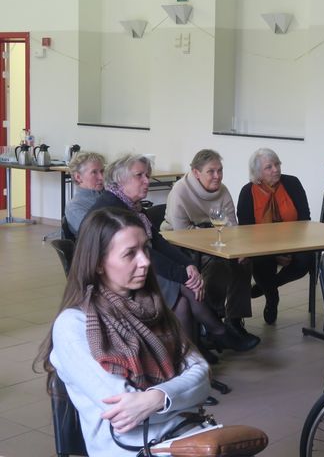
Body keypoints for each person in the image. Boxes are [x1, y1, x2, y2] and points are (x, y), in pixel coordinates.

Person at [34, 207, 210, 456]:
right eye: (130, 254)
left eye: (145, 249)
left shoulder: (153, 307)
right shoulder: (73, 325)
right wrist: (182, 397)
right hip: (132, 448)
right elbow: (127, 414)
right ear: (97, 264)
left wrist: (158, 398)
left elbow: (202, 375)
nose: (146, 261)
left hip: (186, 434)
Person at [86, 154, 253, 355]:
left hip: (138, 268)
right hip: (113, 279)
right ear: (120, 180)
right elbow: (145, 254)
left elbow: (157, 242)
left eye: (147, 175)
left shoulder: (131, 206)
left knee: (184, 298)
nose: (147, 181)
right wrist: (185, 275)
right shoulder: (113, 210)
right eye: (140, 175)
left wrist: (188, 266)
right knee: (185, 287)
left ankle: (194, 350)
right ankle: (215, 335)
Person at [161, 149, 259, 349]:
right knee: (217, 265)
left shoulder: (222, 190)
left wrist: (237, 249)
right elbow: (182, 232)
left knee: (243, 262)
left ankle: (234, 322)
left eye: (220, 170)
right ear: (196, 173)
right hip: (180, 246)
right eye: (211, 171)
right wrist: (213, 234)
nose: (217, 176)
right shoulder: (180, 190)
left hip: (216, 242)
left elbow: (232, 226)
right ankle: (210, 323)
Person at [237, 148, 313, 324]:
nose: (275, 169)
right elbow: (245, 231)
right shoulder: (248, 192)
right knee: (261, 262)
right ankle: (272, 298)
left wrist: (290, 250)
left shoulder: (292, 183)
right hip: (261, 246)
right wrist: (274, 252)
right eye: (268, 167)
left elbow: (304, 219)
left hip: (294, 242)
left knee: (305, 261)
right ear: (258, 173)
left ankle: (267, 288)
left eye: (277, 164)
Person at [65, 151, 106, 236]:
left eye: (102, 171)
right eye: (94, 172)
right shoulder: (75, 207)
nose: (101, 177)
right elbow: (97, 234)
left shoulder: (106, 195)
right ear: (78, 177)